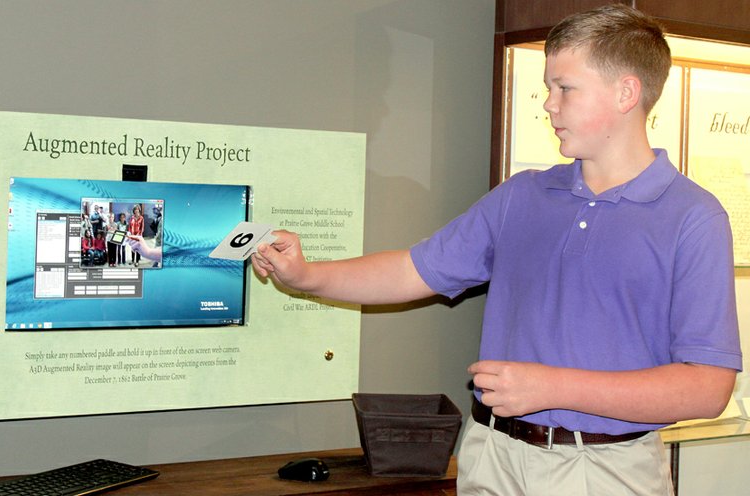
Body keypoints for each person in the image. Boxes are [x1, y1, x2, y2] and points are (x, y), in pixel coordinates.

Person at [251, 5, 741, 495]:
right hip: (491, 457)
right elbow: (410, 270)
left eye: (564, 88)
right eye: (549, 88)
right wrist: (305, 275)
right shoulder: (521, 196)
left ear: (626, 92)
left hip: (605, 471)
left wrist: (552, 388)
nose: (549, 104)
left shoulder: (693, 218)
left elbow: (708, 387)